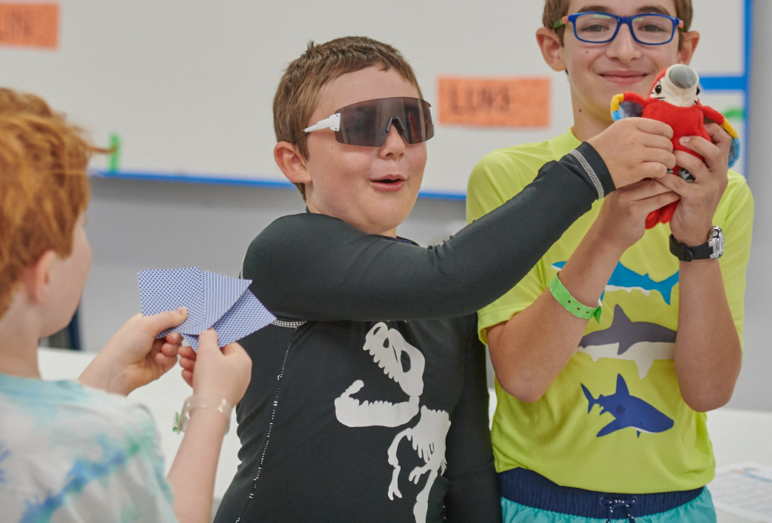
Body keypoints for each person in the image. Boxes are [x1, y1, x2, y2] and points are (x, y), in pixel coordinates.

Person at [177, 36, 677, 523]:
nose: (395, 145)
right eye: (361, 125)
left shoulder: (449, 301)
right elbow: (451, 276)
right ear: (296, 161)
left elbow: (468, 473)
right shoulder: (283, 253)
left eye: (411, 123)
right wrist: (590, 169)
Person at [0, 88, 251, 523]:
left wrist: (109, 374)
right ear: (45, 274)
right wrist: (211, 406)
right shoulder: (114, 439)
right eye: (81, 226)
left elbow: (41, 446)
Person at [470, 0, 753, 522]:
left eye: (650, 26)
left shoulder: (723, 193)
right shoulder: (508, 178)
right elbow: (522, 376)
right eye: (596, 25)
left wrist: (696, 242)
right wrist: (608, 234)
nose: (625, 50)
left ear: (685, 48)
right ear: (554, 46)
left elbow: (708, 392)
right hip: (537, 501)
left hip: (678, 504)